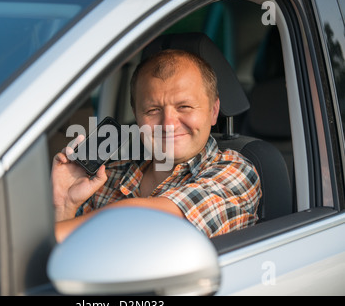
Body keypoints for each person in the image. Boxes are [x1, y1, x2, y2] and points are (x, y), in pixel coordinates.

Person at [52, 49, 262, 243]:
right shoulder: (106, 178)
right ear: (136, 115)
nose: (168, 124)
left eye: (185, 107)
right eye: (152, 110)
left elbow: (145, 221)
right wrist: (65, 205)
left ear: (214, 111)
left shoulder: (235, 172)